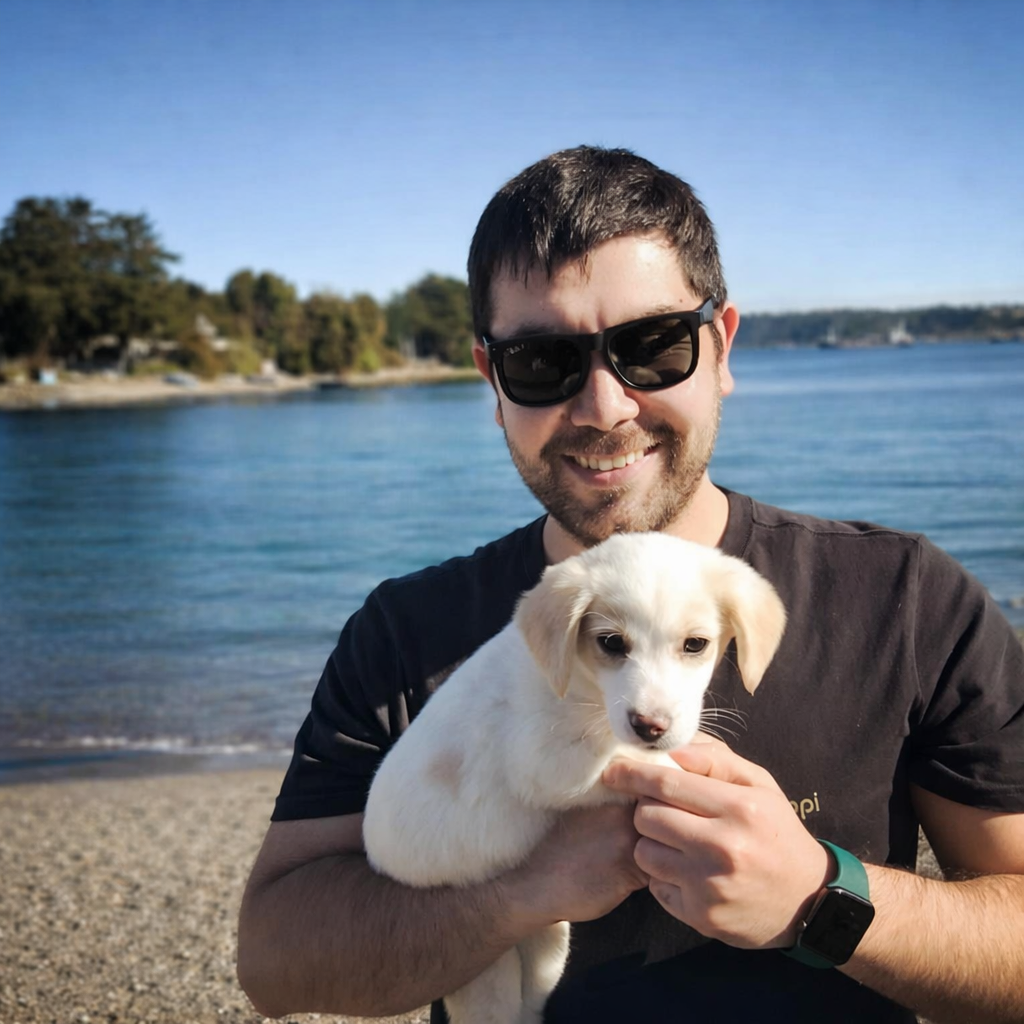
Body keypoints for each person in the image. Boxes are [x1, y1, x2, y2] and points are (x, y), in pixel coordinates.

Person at [237, 147, 1024, 1023]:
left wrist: (821, 899)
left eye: (653, 347)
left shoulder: (907, 600)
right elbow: (274, 965)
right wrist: (521, 895)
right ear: (493, 383)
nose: (605, 407)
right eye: (542, 361)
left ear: (721, 347)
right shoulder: (404, 633)